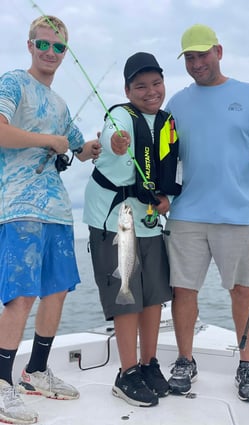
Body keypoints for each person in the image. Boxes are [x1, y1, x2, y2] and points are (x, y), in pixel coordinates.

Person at [164, 24, 249, 402]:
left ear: (219, 52)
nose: (196, 63)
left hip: (238, 213)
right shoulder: (177, 102)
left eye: (202, 54)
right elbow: (163, 156)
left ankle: (247, 364)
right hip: (187, 213)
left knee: (242, 291)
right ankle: (185, 360)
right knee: (183, 291)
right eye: (189, 57)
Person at [0, 15, 101, 424]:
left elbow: (79, 149)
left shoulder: (59, 105)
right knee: (20, 296)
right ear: (29, 45)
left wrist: (105, 143)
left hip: (58, 211)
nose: (50, 53)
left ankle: (35, 372)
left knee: (56, 291)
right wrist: (48, 140)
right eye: (43, 44)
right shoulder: (12, 83)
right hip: (19, 207)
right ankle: (2, 384)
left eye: (59, 47)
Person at [83, 52, 181, 408]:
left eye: (156, 83)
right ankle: (126, 374)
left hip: (150, 222)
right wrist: (117, 143)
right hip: (114, 221)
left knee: (154, 296)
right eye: (140, 86)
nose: (150, 91)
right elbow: (113, 136)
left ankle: (148, 363)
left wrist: (166, 198)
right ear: (127, 89)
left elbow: (171, 170)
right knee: (127, 297)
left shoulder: (168, 122)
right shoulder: (119, 117)